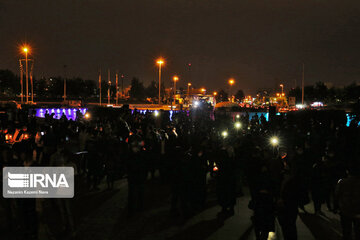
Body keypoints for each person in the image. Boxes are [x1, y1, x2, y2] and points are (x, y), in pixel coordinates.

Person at [335, 164, 360, 240]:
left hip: (345, 209)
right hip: (358, 210)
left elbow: (337, 195)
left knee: (346, 231)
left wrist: (336, 207)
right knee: (358, 232)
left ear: (347, 172)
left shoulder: (342, 182)